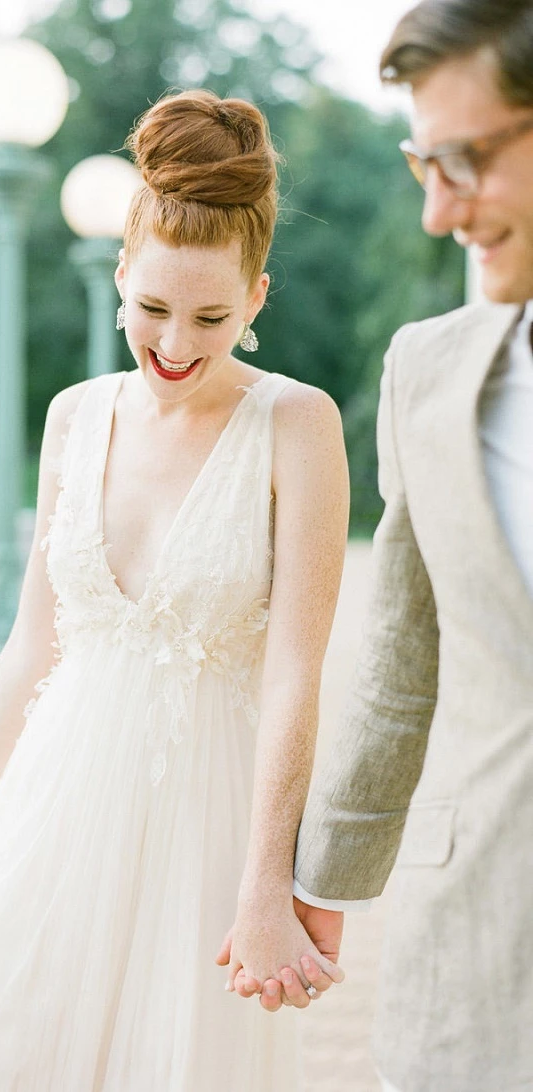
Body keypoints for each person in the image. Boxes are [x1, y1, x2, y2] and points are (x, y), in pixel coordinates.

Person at [0, 89, 350, 1091]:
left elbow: (295, 673)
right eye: (151, 307)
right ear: (118, 276)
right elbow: (33, 645)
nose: (173, 343)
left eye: (209, 314)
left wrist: (264, 886)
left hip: (204, 825)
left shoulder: (298, 426)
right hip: (54, 803)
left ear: (255, 299)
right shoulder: (74, 416)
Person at [220, 1, 533, 1089]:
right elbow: (400, 660)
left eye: (464, 160)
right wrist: (311, 894)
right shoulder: (428, 372)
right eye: (418, 165)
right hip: (481, 948)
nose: (436, 212)